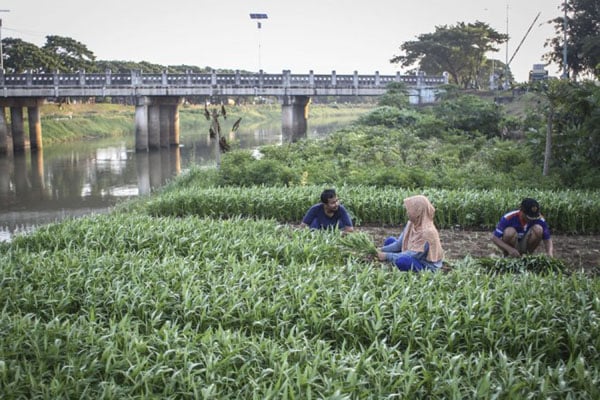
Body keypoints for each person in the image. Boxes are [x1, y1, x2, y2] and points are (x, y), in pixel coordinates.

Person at [376, 195, 444, 271]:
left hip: (424, 264)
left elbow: (414, 255)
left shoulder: (428, 233)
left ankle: (395, 261)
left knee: (403, 261)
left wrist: (387, 256)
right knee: (390, 240)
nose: (407, 212)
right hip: (410, 253)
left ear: (417, 211)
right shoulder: (412, 223)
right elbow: (399, 244)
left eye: (410, 210)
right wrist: (380, 250)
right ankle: (394, 260)